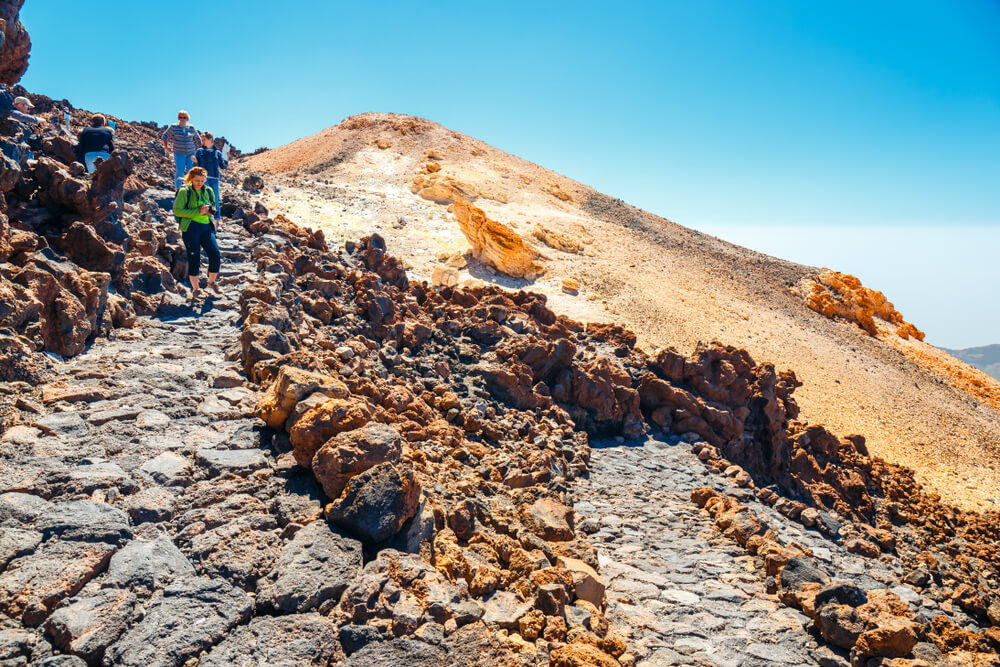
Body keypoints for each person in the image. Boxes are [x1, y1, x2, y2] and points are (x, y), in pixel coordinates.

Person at [174, 166, 221, 300]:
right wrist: (198, 211)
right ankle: (196, 290)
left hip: (206, 226)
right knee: (194, 257)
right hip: (190, 228)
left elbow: (213, 205)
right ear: (191, 179)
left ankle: (211, 282)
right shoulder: (184, 192)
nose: (200, 183)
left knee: (215, 253)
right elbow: (178, 211)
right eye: (197, 180)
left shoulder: (209, 190)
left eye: (202, 180)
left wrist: (211, 210)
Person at [162, 110, 200, 189]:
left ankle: (190, 189)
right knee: (180, 171)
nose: (182, 119)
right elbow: (164, 136)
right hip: (179, 153)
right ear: (178, 118)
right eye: (180, 117)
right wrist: (166, 147)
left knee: (191, 171)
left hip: (191, 153)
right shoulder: (173, 127)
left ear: (187, 118)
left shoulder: (191, 128)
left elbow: (198, 139)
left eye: (184, 117)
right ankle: (178, 189)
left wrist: (199, 151)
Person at [194, 132, 227, 222]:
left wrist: (226, 157)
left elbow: (223, 166)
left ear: (210, 139)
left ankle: (217, 221)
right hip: (204, 179)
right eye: (202, 139)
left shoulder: (218, 153)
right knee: (205, 199)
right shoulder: (199, 151)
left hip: (215, 179)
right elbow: (196, 167)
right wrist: (194, 161)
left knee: (216, 199)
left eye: (204, 139)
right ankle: (206, 220)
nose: (202, 141)